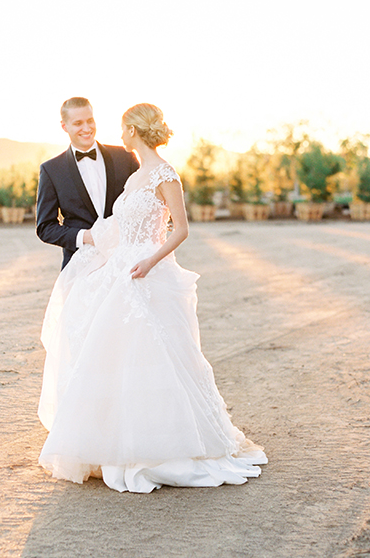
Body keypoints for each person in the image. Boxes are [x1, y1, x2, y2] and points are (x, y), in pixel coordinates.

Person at [38, 103, 267, 493]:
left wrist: (150, 259)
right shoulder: (125, 175)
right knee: (108, 355)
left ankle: (163, 443)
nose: (96, 128)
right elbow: (97, 226)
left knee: (157, 355)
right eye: (81, 122)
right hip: (119, 269)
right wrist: (92, 250)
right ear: (65, 126)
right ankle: (109, 440)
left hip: (148, 271)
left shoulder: (158, 172)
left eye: (103, 123)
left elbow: (179, 228)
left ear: (133, 131)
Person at [36, 97, 139, 268]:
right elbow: (45, 228)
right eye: (78, 123)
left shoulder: (125, 157)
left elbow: (144, 202)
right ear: (64, 126)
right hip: (79, 264)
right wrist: (86, 237)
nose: (87, 128)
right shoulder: (51, 170)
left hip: (124, 261)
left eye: (90, 121)